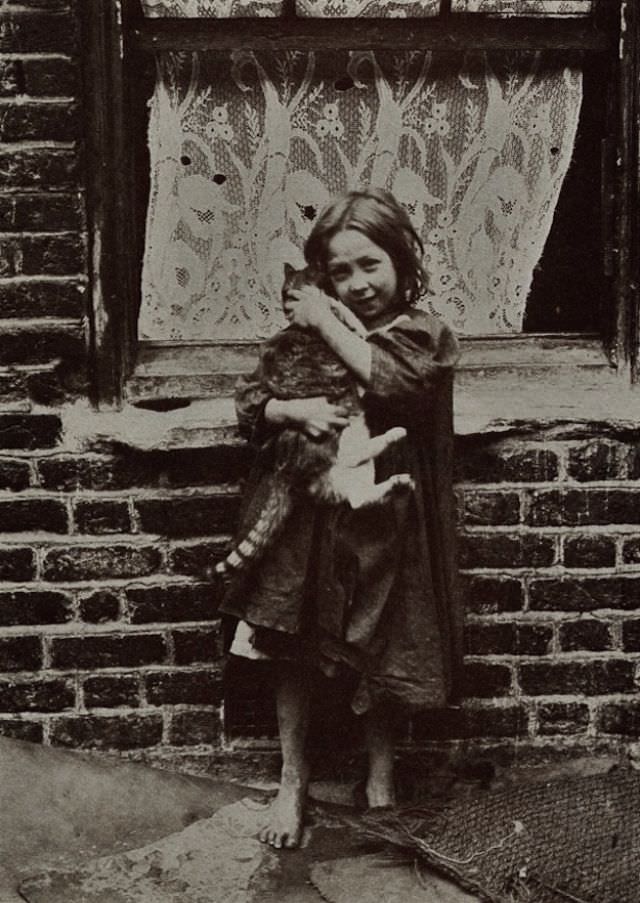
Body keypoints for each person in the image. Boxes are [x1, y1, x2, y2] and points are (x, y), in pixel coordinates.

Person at [220, 187, 462, 850]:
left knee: (380, 643)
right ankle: (292, 778)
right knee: (292, 643)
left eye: (370, 265)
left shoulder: (424, 334)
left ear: (402, 259)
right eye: (340, 272)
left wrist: (325, 319)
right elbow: (250, 403)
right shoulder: (306, 335)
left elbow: (394, 384)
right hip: (310, 517)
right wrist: (286, 411)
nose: (357, 285)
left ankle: (380, 777)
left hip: (389, 517)